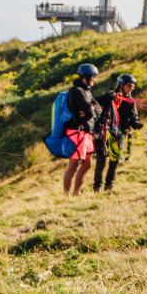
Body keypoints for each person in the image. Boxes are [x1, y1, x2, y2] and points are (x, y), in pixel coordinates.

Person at [58, 63, 100, 196]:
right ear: (86, 77)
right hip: (77, 132)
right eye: (93, 77)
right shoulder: (76, 91)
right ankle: (66, 196)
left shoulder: (86, 91)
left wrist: (90, 110)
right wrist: (89, 110)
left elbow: (97, 109)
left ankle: (76, 193)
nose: (95, 80)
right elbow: (90, 111)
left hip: (86, 132)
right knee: (74, 164)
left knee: (87, 164)